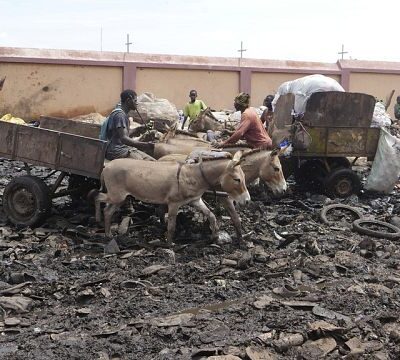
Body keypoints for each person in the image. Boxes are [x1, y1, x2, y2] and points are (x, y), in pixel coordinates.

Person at [105, 89, 155, 161]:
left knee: (151, 160)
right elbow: (124, 138)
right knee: (147, 164)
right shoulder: (120, 115)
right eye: (135, 101)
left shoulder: (122, 114)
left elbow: (123, 133)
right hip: (116, 150)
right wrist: (144, 145)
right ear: (128, 101)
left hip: (123, 148)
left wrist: (138, 129)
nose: (136, 103)